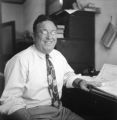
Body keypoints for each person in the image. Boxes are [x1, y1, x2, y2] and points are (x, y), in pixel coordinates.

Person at [0, 14, 101, 120]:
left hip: (60, 111)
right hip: (33, 113)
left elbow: (67, 75)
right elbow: (10, 99)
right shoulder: (19, 60)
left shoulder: (58, 55)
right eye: (44, 32)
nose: (49, 37)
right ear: (34, 36)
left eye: (53, 32)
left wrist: (80, 82)